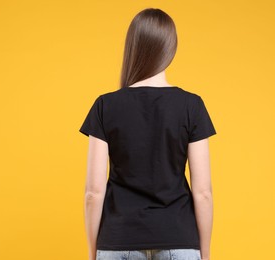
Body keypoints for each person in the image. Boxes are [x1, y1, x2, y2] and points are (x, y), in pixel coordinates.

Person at [79, 8, 216, 260]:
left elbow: (93, 192)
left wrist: (92, 253)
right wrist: (204, 254)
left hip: (118, 240)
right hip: (179, 238)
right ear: (170, 48)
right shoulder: (191, 105)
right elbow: (203, 191)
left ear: (133, 46)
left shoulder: (105, 106)